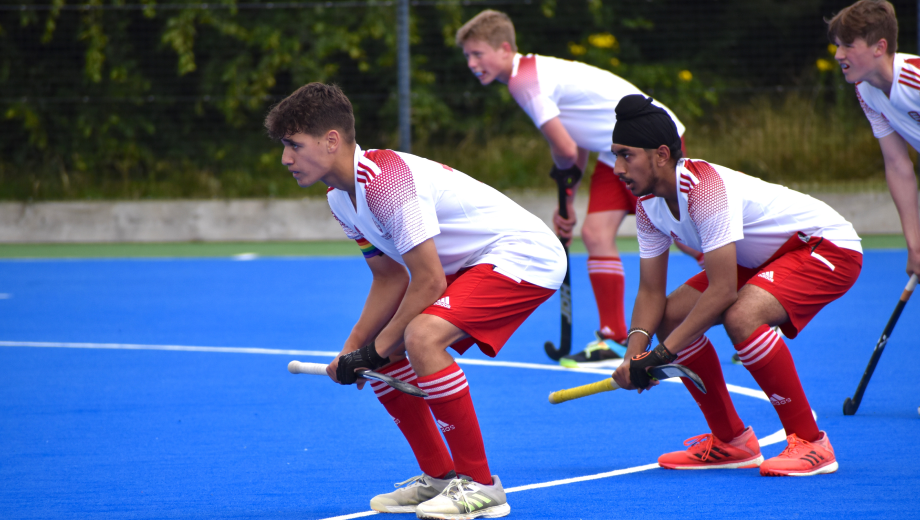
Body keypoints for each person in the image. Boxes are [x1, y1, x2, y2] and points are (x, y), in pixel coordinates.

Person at [264, 83, 566, 518]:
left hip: (523, 254)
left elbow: (426, 281)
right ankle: (441, 478)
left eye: (293, 145)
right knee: (386, 355)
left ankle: (481, 486)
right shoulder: (340, 199)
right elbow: (387, 278)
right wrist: (354, 350)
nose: (285, 158)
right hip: (470, 264)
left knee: (420, 337)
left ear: (332, 140)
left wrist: (375, 348)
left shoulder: (383, 181)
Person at [608, 95, 862, 476]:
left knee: (742, 315)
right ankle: (732, 442)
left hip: (824, 246)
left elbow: (724, 291)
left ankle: (812, 442)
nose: (616, 168)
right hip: (761, 257)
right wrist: (634, 354)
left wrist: (660, 357)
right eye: (614, 155)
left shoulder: (703, 187)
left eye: (625, 155)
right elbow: (650, 293)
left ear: (661, 154)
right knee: (672, 317)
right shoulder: (647, 204)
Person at [456, 10, 702, 368]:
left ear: (505, 48)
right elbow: (580, 139)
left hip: (650, 146)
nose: (472, 63)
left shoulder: (523, 82)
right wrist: (567, 200)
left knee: (685, 235)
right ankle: (614, 338)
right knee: (596, 232)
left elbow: (566, 150)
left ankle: (747, 303)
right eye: (467, 56)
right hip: (615, 151)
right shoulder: (534, 71)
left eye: (478, 54)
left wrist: (563, 184)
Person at [828, 0, 920, 278]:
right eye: (836, 45)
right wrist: (915, 246)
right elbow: (897, 165)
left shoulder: (915, 78)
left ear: (879, 47)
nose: (837, 55)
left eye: (847, 45)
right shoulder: (866, 91)